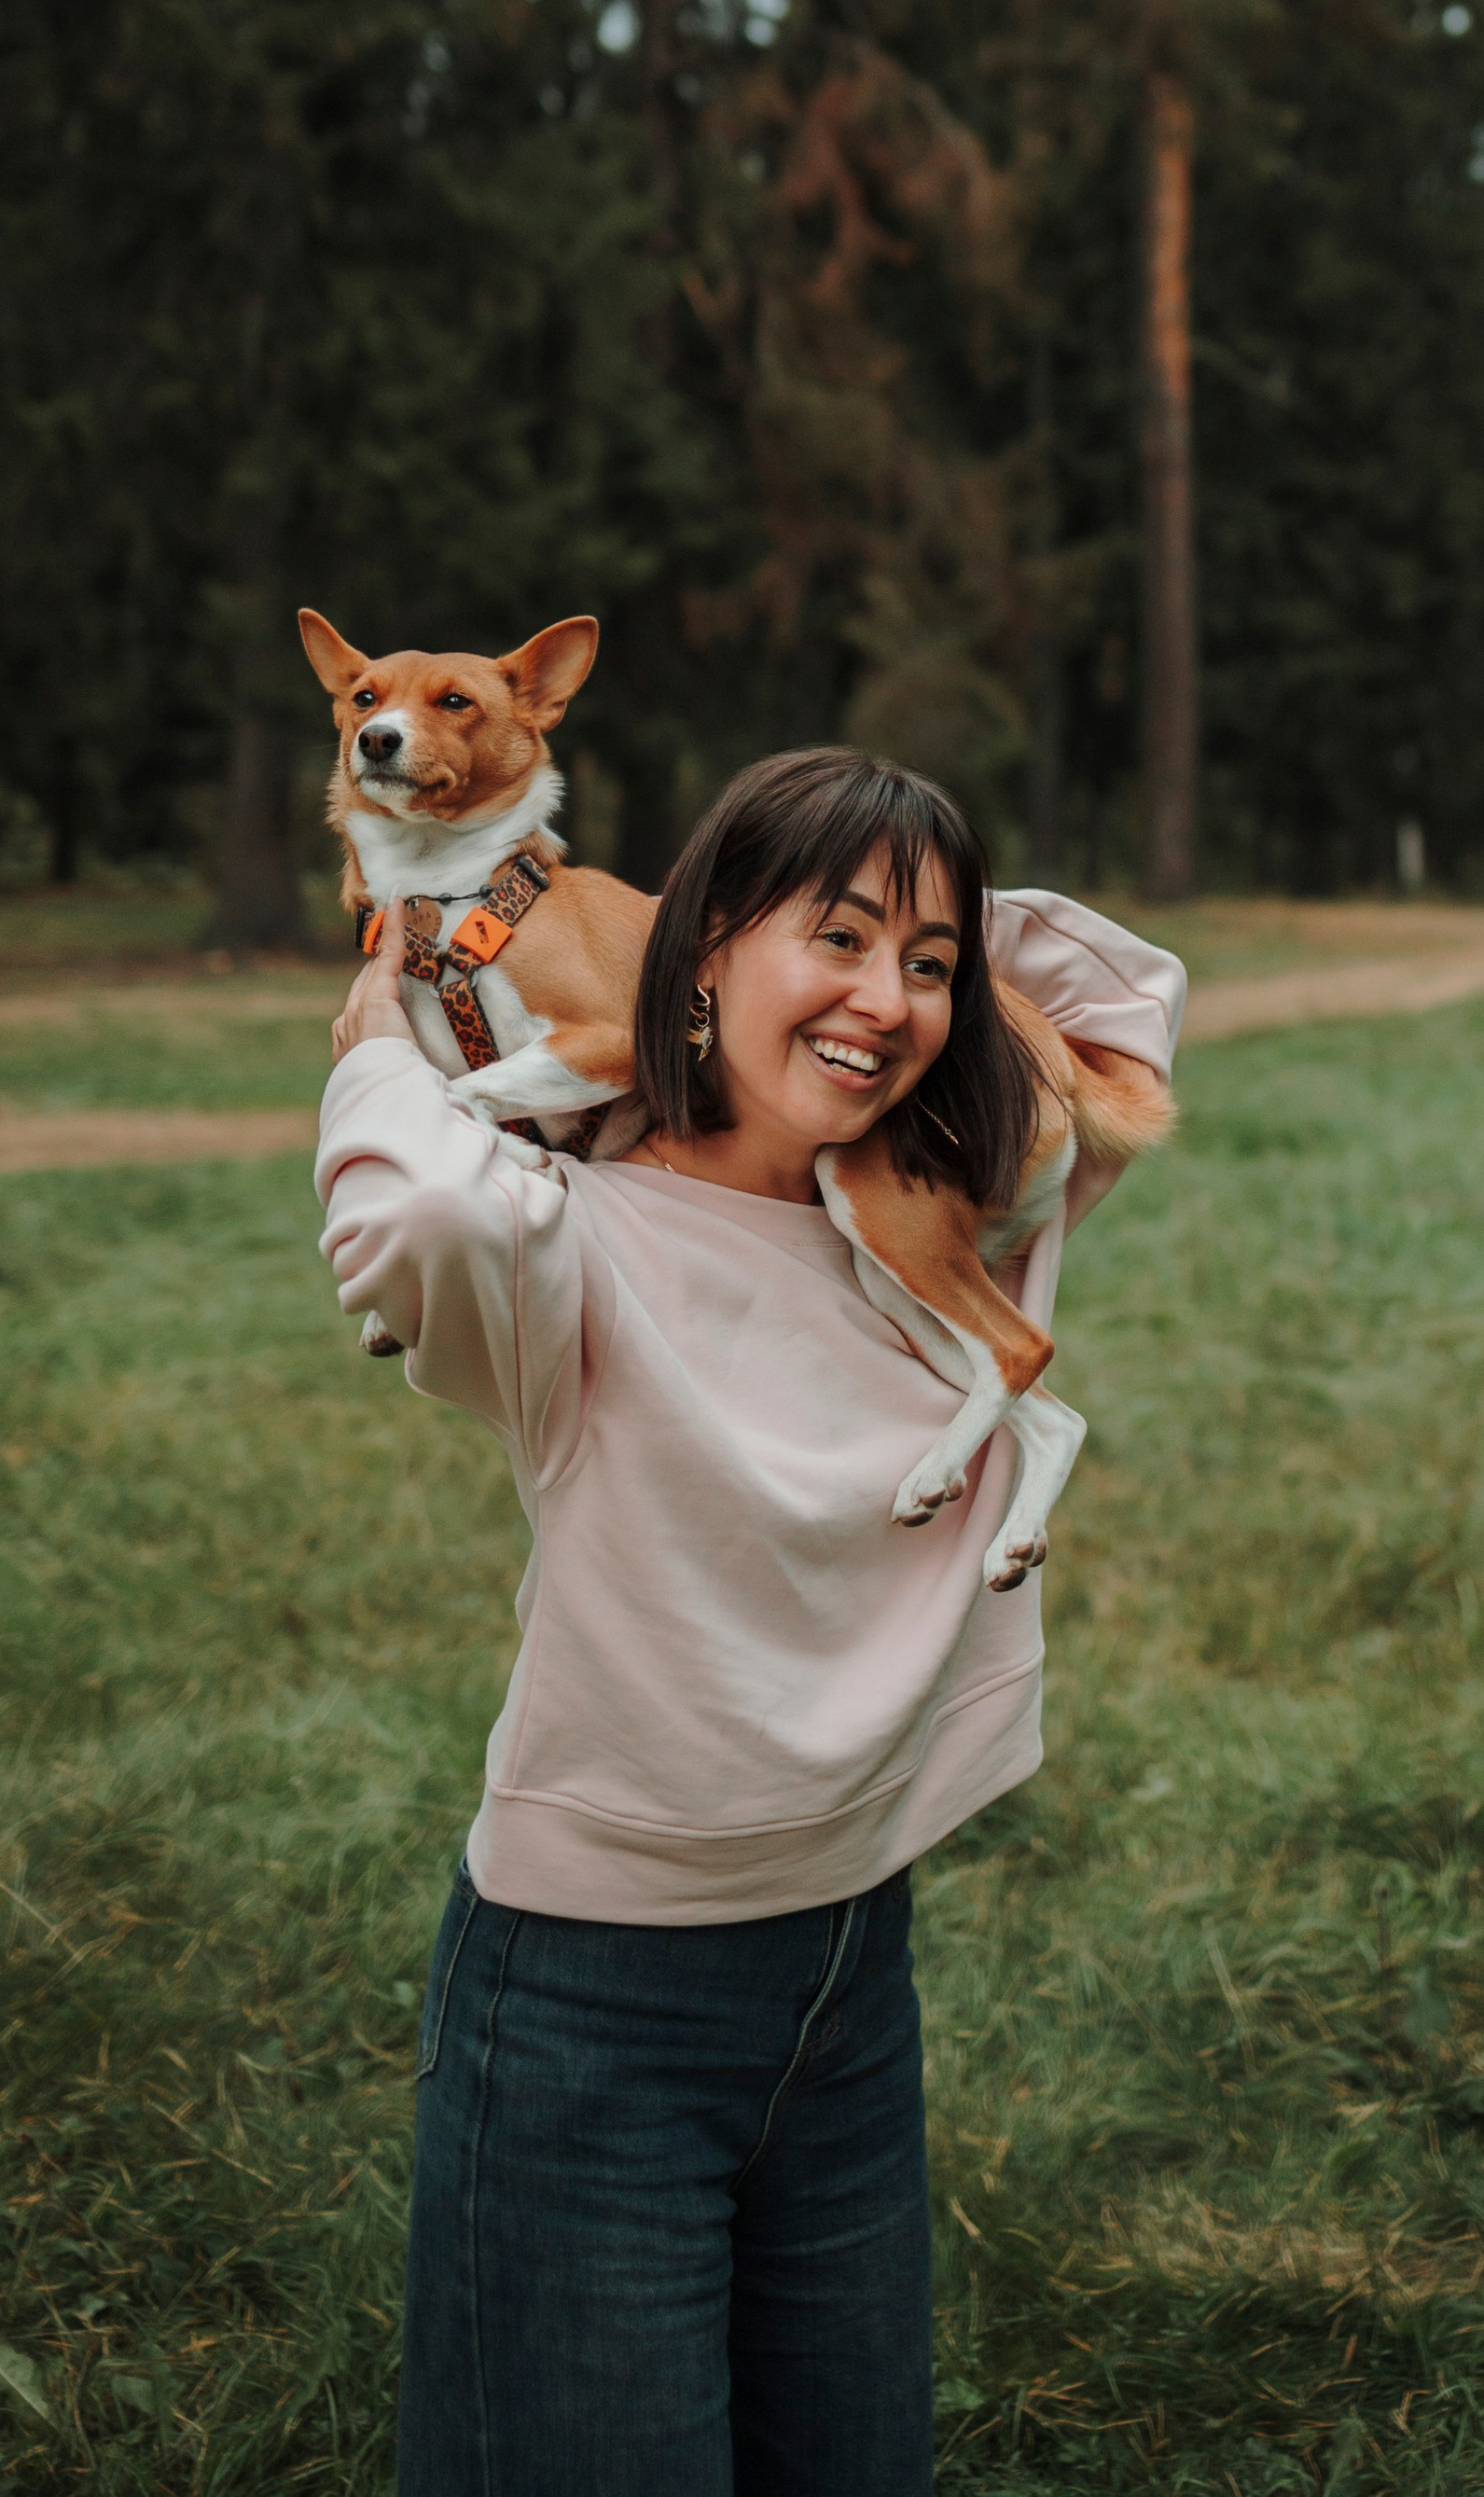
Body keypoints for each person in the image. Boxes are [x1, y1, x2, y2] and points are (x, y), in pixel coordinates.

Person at [315, 747, 1185, 2497]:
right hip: (589, 2016)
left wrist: (877, 931)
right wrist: (380, 1030)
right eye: (836, 940)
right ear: (695, 951)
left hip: (853, 1986)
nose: (886, 1000)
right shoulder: (564, 1243)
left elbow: (1125, 993)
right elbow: (410, 1200)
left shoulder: (966, 1222)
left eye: (927, 964)